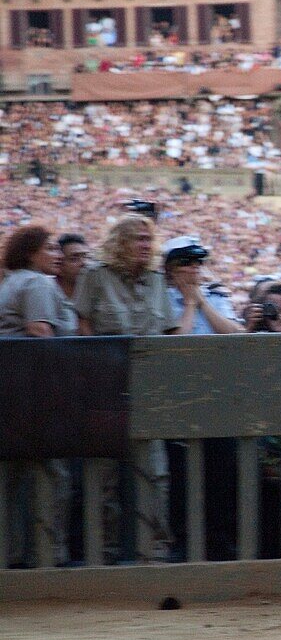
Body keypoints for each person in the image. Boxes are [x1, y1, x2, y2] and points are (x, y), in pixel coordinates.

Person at [73, 214, 179, 563]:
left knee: (155, 474)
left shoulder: (156, 280)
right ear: (119, 242)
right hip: (105, 391)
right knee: (104, 480)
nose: (145, 246)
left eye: (149, 240)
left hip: (148, 391)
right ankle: (104, 552)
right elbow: (83, 324)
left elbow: (167, 333)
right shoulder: (95, 275)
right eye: (137, 238)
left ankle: (155, 552)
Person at [0, 226, 78, 568]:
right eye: (49, 248)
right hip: (35, 394)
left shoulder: (11, 282)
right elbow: (41, 333)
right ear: (31, 253)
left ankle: (12, 556)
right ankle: (49, 558)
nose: (57, 254)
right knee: (52, 476)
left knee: (13, 481)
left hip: (15, 393)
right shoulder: (35, 283)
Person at [161, 236, 243, 561]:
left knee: (221, 476)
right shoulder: (163, 298)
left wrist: (203, 302)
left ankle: (220, 544)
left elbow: (235, 335)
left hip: (216, 400)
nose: (194, 270)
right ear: (170, 269)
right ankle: (183, 546)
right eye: (186, 264)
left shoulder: (215, 296)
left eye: (198, 263)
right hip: (178, 402)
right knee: (182, 479)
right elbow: (176, 341)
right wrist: (189, 304)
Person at [56, 233, 89, 300]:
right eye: (74, 259)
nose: (84, 263)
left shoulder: (97, 295)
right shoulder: (45, 293)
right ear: (58, 265)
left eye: (87, 257)